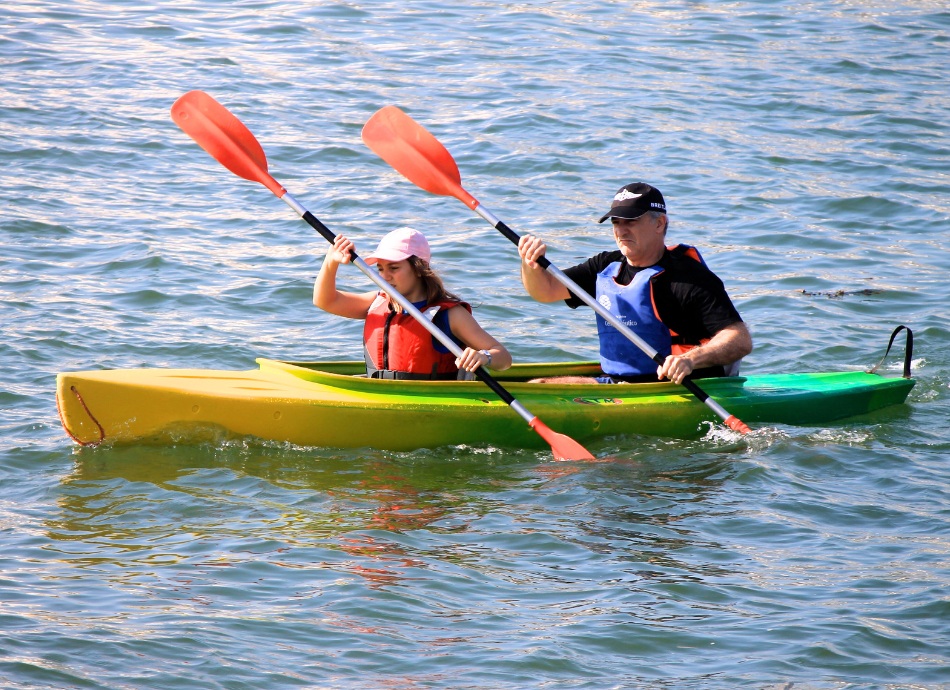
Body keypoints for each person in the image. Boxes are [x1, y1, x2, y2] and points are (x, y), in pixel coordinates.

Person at [517, 182, 752, 385]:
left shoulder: (689, 278)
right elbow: (545, 291)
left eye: (630, 221)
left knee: (540, 385)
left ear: (659, 223)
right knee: (538, 384)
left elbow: (739, 339)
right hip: (620, 382)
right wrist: (529, 263)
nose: (621, 230)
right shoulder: (605, 266)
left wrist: (690, 360)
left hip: (679, 385)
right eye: (616, 222)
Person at [314, 227, 512, 380]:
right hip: (381, 394)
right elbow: (325, 300)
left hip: (431, 403)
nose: (385, 276)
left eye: (394, 267)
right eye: (381, 269)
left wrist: (484, 356)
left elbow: (504, 358)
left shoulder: (450, 315)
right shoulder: (376, 302)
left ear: (418, 268)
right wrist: (331, 262)